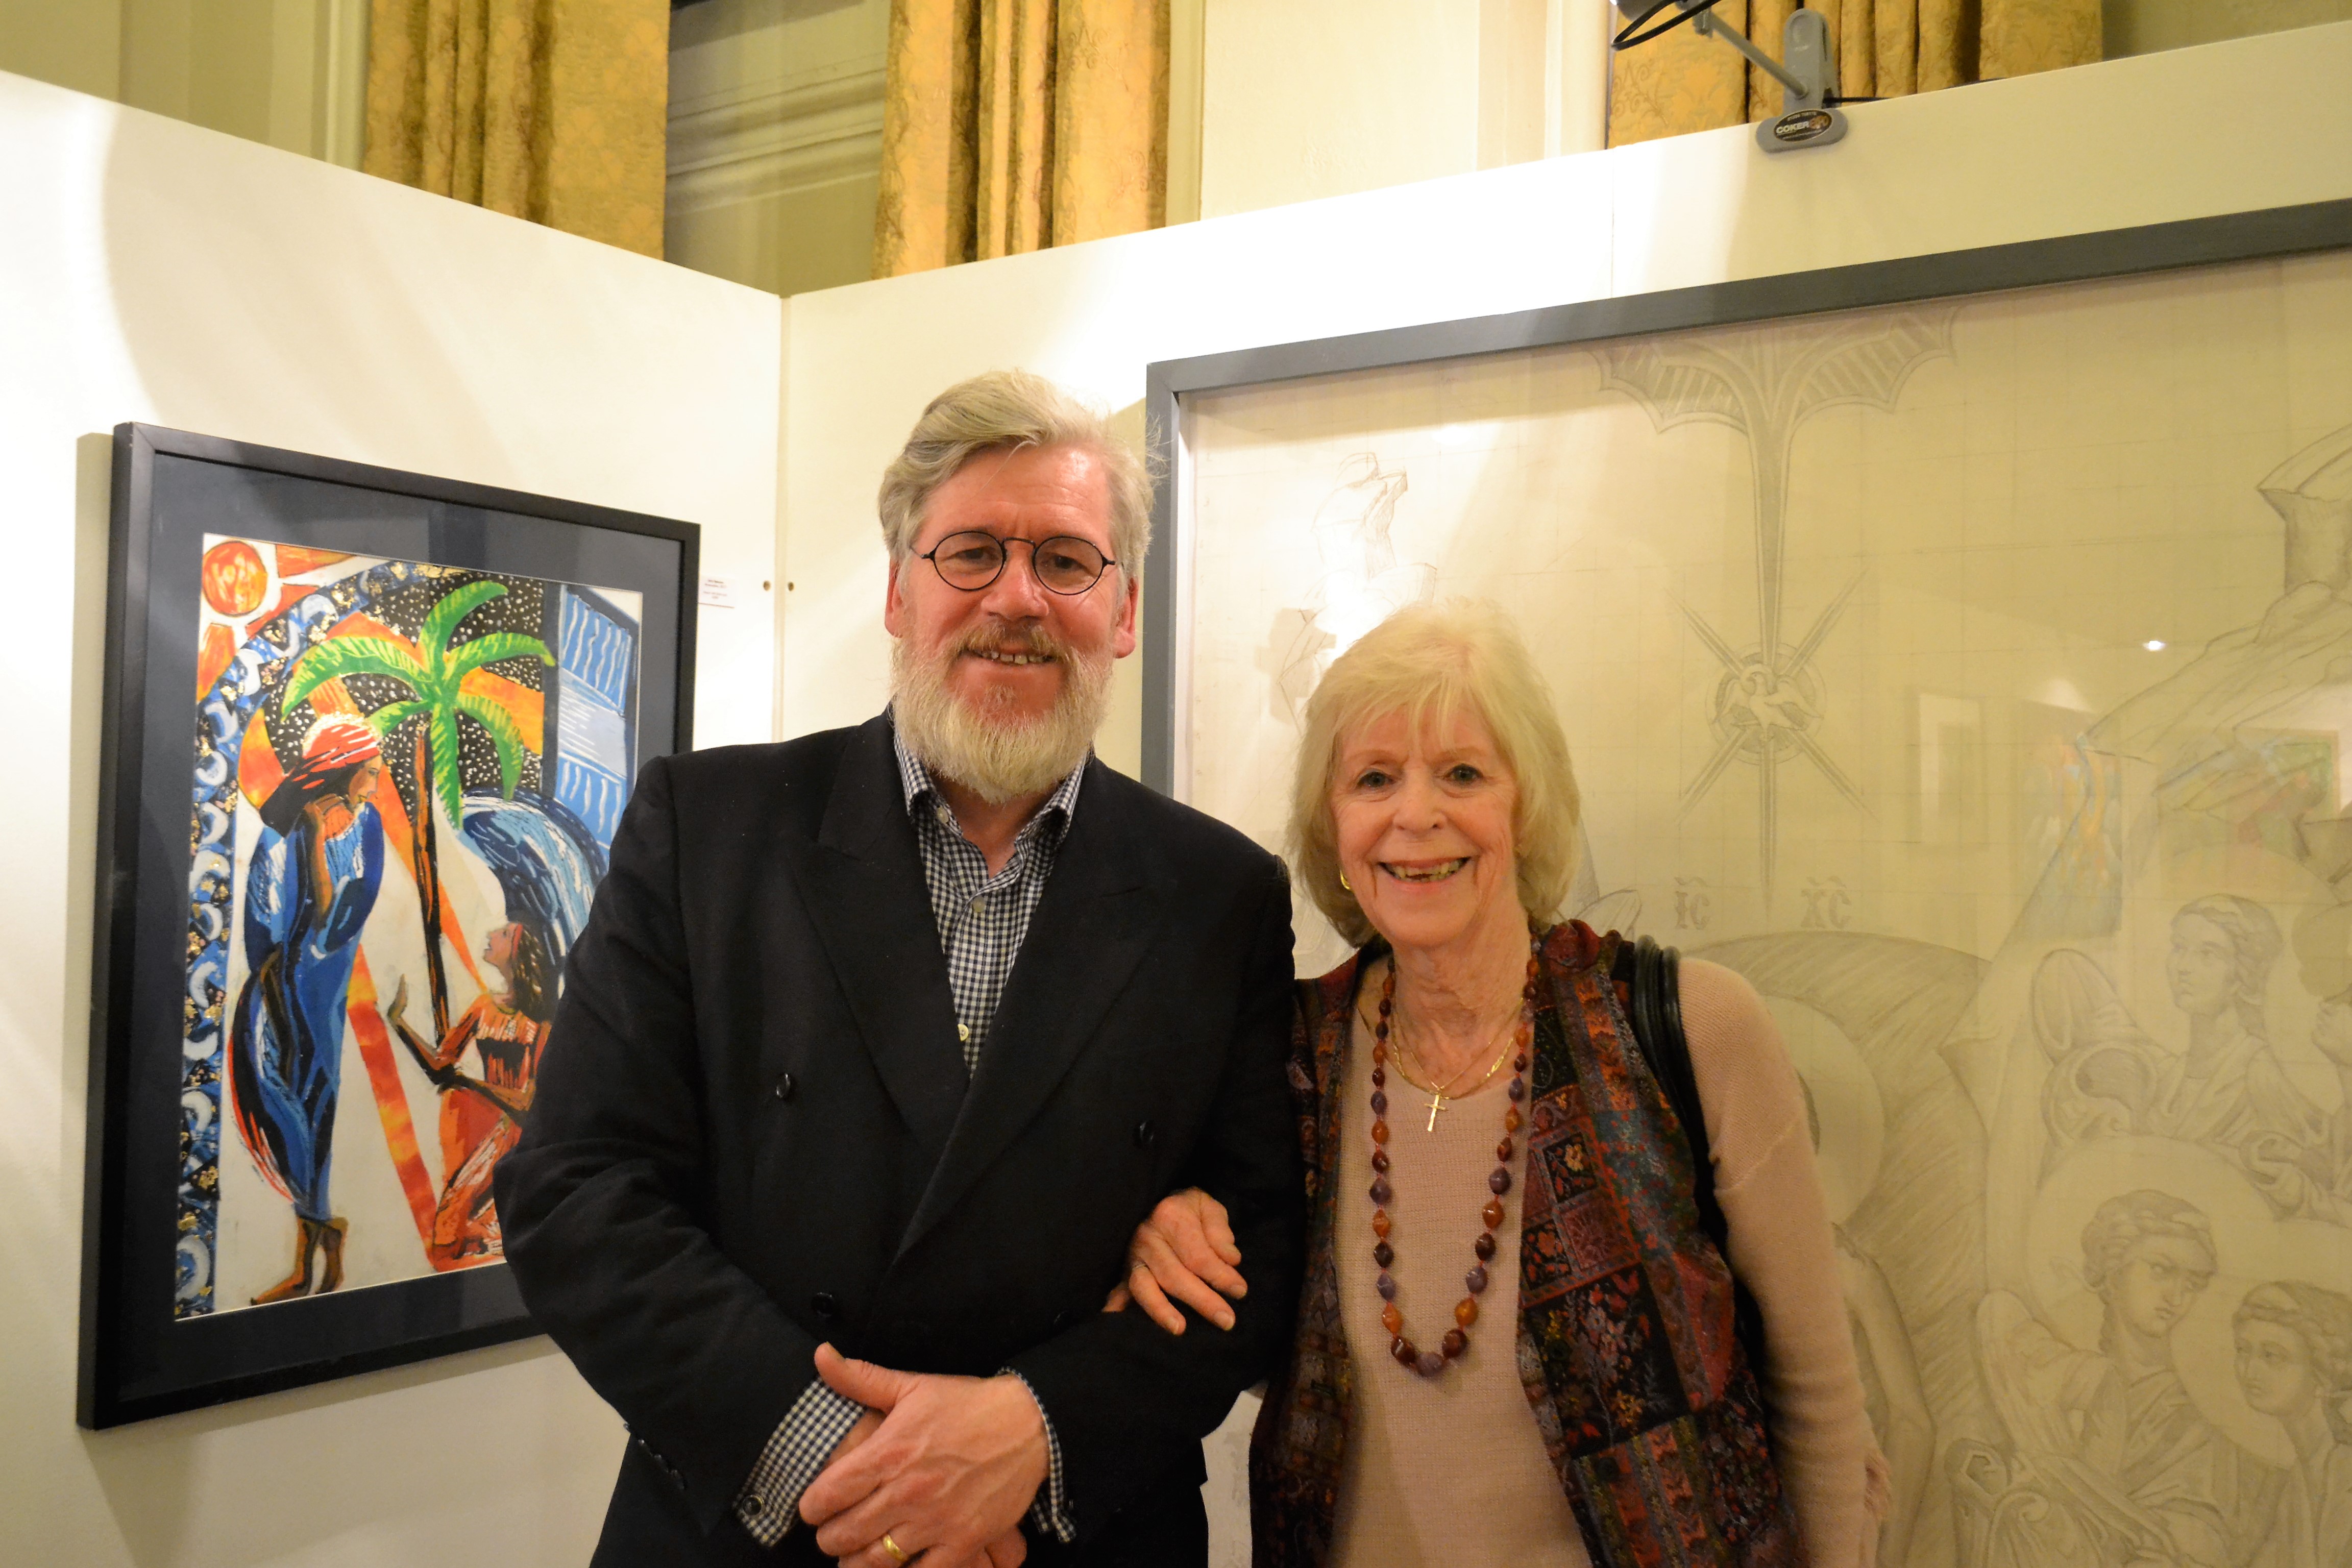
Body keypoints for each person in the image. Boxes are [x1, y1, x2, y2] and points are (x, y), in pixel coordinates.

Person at [495, 370, 1304, 1567]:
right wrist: (852, 1462)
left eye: (1067, 561)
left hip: (1069, 1532)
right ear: (896, 590)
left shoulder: (1218, 893)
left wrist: (1036, 1432)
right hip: (763, 1528)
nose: (1016, 599)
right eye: (970, 553)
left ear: (1125, 608)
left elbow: (1262, 1250)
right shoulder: (709, 828)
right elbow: (575, 1189)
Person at [1118, 600, 1884, 1566]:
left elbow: (1819, 1403)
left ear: (1525, 808)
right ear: (1334, 828)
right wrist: (1166, 1227)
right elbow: (1252, 1325)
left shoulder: (1693, 1028)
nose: (1416, 815)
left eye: (1463, 773)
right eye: (1374, 778)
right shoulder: (1289, 1055)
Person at [1977, 1191, 2279, 1568]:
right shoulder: (2061, 1372)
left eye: (2192, 1283)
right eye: (2161, 1270)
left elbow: (2205, 1538)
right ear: (2113, 1269)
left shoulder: (2199, 1414)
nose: (2177, 1296)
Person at [228, 714, 387, 1304]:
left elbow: (340, 917)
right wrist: (273, 978)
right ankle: (323, 1228)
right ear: (343, 771)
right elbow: (263, 922)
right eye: (370, 772)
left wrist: (320, 837)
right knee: (272, 1093)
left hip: (325, 987)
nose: (376, 783)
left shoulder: (367, 828)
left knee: (318, 1105)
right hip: (276, 985)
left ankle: (309, 1257)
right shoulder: (281, 829)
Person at [385, 920, 555, 1263]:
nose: (491, 934)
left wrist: (471, 1082)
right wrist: (398, 1022)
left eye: (503, 934)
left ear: (518, 954)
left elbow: (528, 1102)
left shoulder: (542, 1020)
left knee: (459, 1229)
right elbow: (440, 1067)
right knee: (454, 1231)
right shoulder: (483, 1006)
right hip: (478, 1128)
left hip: (514, 1132)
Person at [2234, 1281, 2352, 1568]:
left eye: (2271, 1355)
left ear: (2323, 1371)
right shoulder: (2297, 1476)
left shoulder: (2344, 1469)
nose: (2250, 1370)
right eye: (2243, 1350)